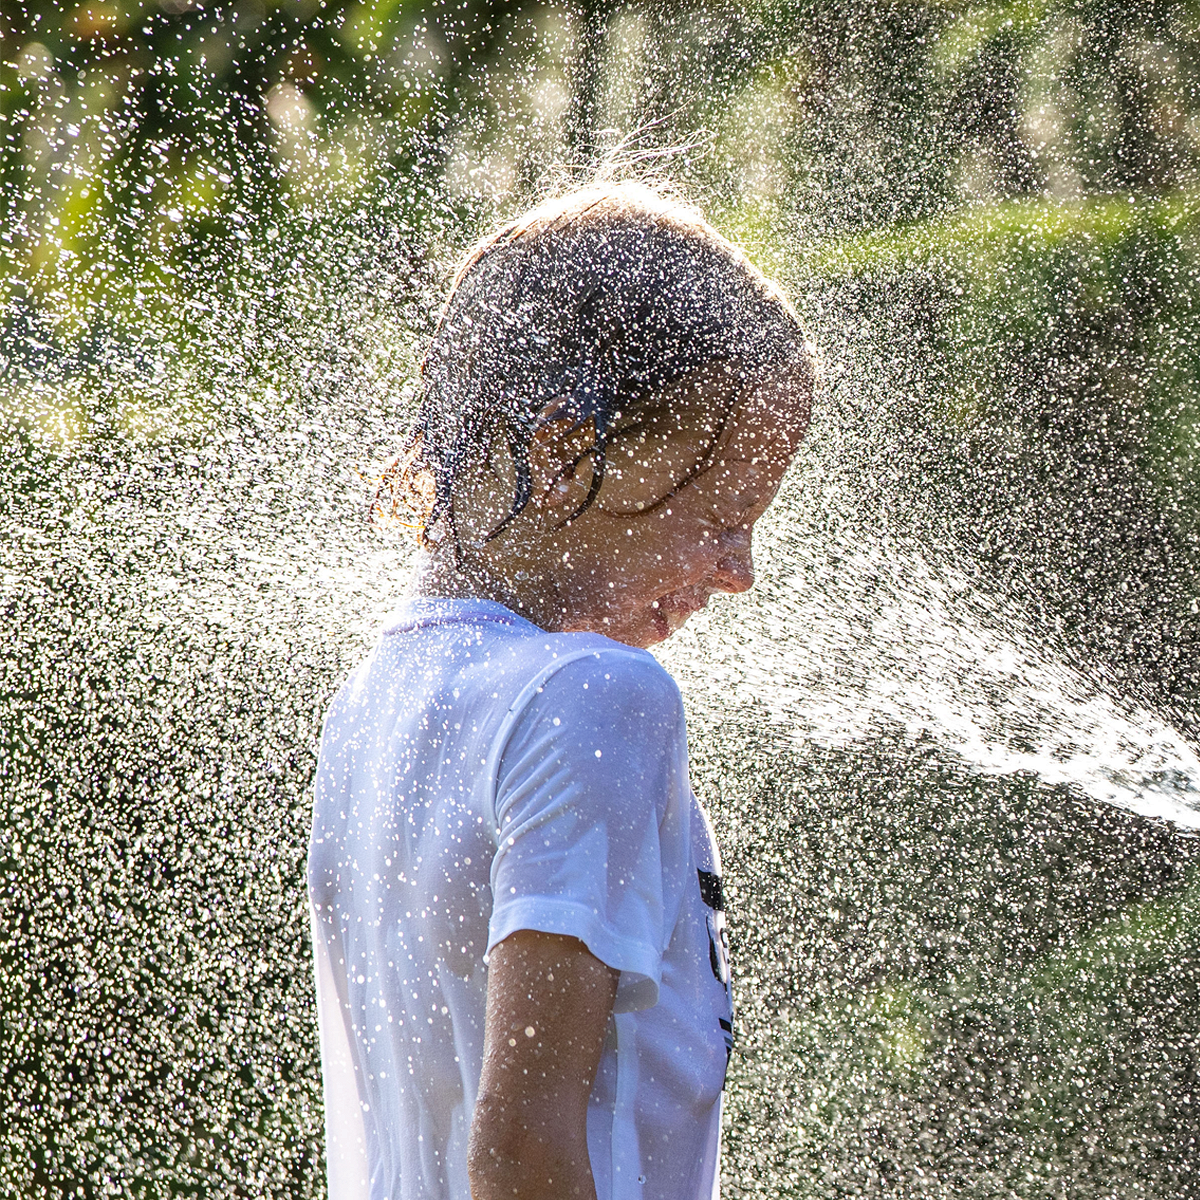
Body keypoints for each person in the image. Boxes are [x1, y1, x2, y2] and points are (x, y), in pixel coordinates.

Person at [307, 180, 815, 1200]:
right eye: (720, 512)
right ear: (562, 452)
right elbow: (523, 1151)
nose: (739, 569)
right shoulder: (599, 697)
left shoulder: (371, 699)